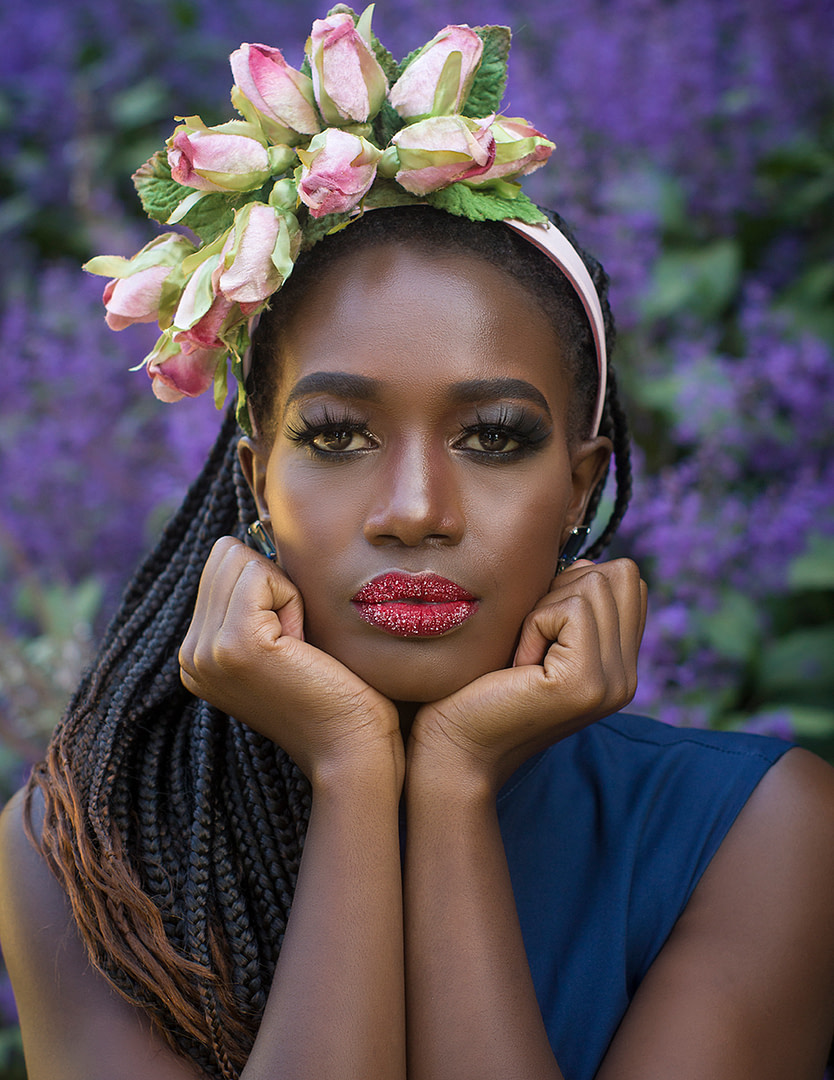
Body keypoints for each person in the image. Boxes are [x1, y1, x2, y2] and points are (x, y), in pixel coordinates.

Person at [2, 11, 834, 1080]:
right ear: (256, 478)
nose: (415, 509)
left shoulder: (764, 834)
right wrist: (354, 773)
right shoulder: (82, 851)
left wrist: (453, 790)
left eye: (493, 438)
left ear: (580, 489)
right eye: (338, 435)